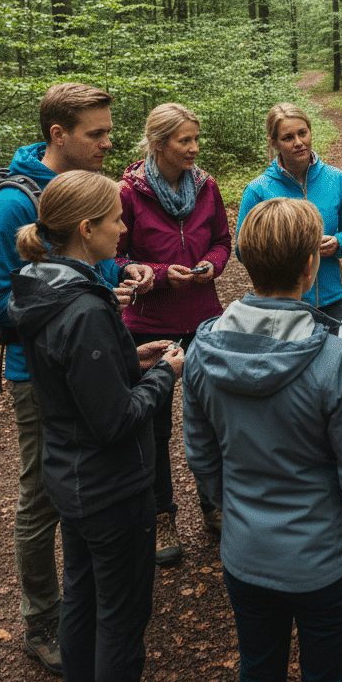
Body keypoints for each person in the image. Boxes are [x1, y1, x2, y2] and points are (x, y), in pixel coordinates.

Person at [0, 82, 154, 675]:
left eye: (108, 130)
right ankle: (41, 618)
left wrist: (120, 278)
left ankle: (83, 611)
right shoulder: (14, 204)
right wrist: (76, 315)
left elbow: (84, 267)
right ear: (59, 135)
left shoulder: (86, 197)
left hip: (92, 353)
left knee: (79, 500)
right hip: (40, 372)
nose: (108, 142)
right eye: (95, 133)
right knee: (48, 494)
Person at [181, 197, 342, 682]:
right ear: (311, 264)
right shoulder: (335, 360)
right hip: (327, 560)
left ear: (246, 260)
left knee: (258, 667)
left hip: (245, 555)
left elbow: (202, 457)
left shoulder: (201, 352)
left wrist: (232, 514)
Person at [8, 170, 185, 682]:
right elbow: (114, 420)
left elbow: (77, 377)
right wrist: (164, 378)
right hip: (110, 487)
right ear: (86, 229)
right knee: (123, 618)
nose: (123, 230)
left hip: (70, 477)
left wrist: (130, 359)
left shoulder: (43, 287)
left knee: (82, 596)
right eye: (114, 220)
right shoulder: (85, 306)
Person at [116, 102, 232, 564]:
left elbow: (224, 241)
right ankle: (161, 513)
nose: (194, 149)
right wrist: (162, 275)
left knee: (213, 416)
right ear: (159, 143)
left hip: (204, 318)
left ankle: (214, 503)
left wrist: (211, 266)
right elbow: (114, 257)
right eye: (185, 141)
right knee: (154, 426)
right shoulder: (127, 193)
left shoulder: (206, 187)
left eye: (196, 140)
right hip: (148, 327)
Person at [236, 103, 342, 323]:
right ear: (273, 143)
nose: (299, 142)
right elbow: (242, 250)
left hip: (331, 300)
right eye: (288, 137)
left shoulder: (335, 179)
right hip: (280, 305)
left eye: (303, 133)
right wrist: (286, 253)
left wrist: (339, 242)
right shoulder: (258, 190)